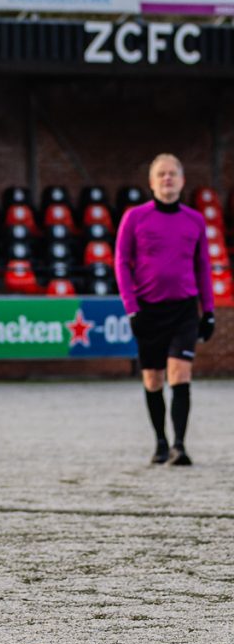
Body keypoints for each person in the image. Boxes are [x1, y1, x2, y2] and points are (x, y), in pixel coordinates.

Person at [117, 155, 214, 466]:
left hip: (184, 308)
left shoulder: (195, 219)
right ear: (152, 181)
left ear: (182, 180)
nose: (167, 178)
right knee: (154, 378)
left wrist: (208, 310)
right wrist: (132, 309)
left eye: (173, 173)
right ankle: (160, 442)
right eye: (161, 174)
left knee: (180, 373)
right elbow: (121, 262)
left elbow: (203, 266)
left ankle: (180, 446)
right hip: (147, 310)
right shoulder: (134, 218)